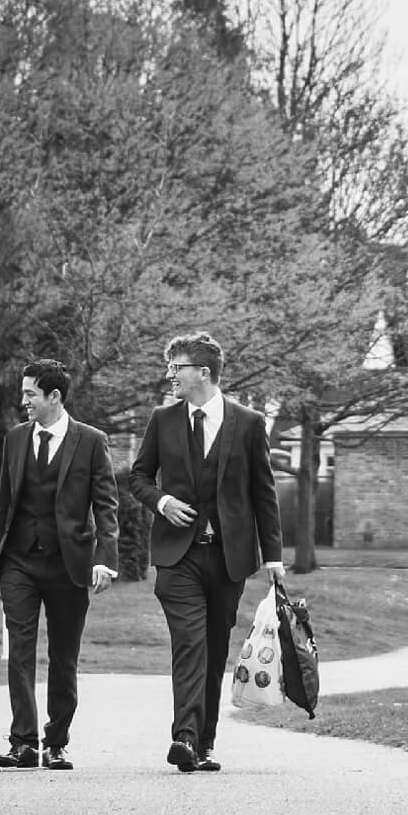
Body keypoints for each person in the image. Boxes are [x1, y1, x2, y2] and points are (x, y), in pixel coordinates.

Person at [129, 331, 284, 773]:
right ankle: (184, 737)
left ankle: (204, 743)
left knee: (216, 649)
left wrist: (273, 558)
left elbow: (264, 493)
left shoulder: (250, 423)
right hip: (178, 558)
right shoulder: (162, 419)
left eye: (176, 367)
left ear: (203, 372)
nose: (169, 375)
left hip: (229, 558)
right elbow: (139, 476)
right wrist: (162, 500)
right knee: (190, 645)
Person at [0, 359, 120, 771]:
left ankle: (56, 742)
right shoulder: (15, 439)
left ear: (54, 397)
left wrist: (105, 560)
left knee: (64, 657)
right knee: (19, 652)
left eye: (30, 394)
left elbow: (106, 504)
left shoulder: (91, 441)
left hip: (69, 564)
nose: (22, 400)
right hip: (19, 563)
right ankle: (23, 742)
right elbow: (5, 503)